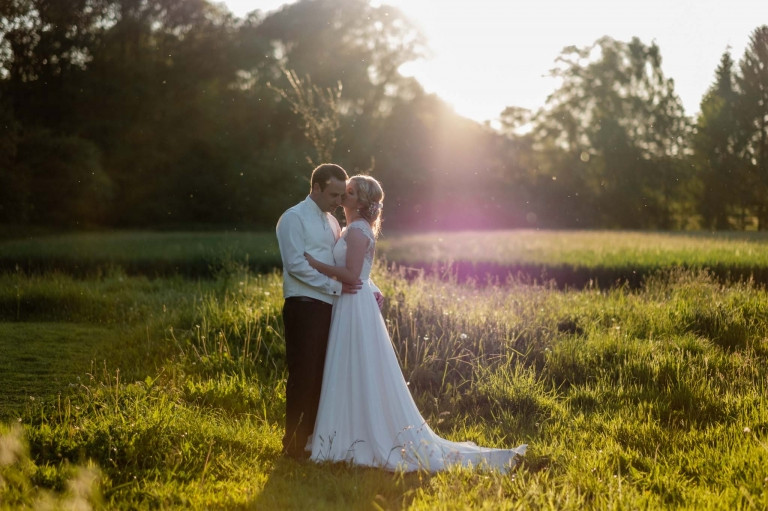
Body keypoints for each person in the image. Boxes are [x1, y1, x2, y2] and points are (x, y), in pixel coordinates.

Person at [305, 175, 527, 473]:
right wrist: (373, 287)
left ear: (361, 201)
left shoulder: (357, 231)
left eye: (350, 191)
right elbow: (363, 274)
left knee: (356, 366)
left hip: (353, 305)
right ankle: (344, 432)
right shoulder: (352, 229)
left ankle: (355, 436)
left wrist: (315, 264)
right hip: (352, 303)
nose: (344, 195)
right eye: (345, 191)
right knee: (350, 367)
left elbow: (352, 275)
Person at [276, 163, 384, 460]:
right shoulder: (293, 219)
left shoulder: (335, 223)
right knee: (303, 375)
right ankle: (293, 445)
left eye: (342, 195)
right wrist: (336, 288)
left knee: (324, 376)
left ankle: (313, 439)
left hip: (332, 308)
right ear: (316, 188)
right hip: (304, 304)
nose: (338, 201)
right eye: (334, 194)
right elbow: (296, 266)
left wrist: (370, 288)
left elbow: (352, 266)